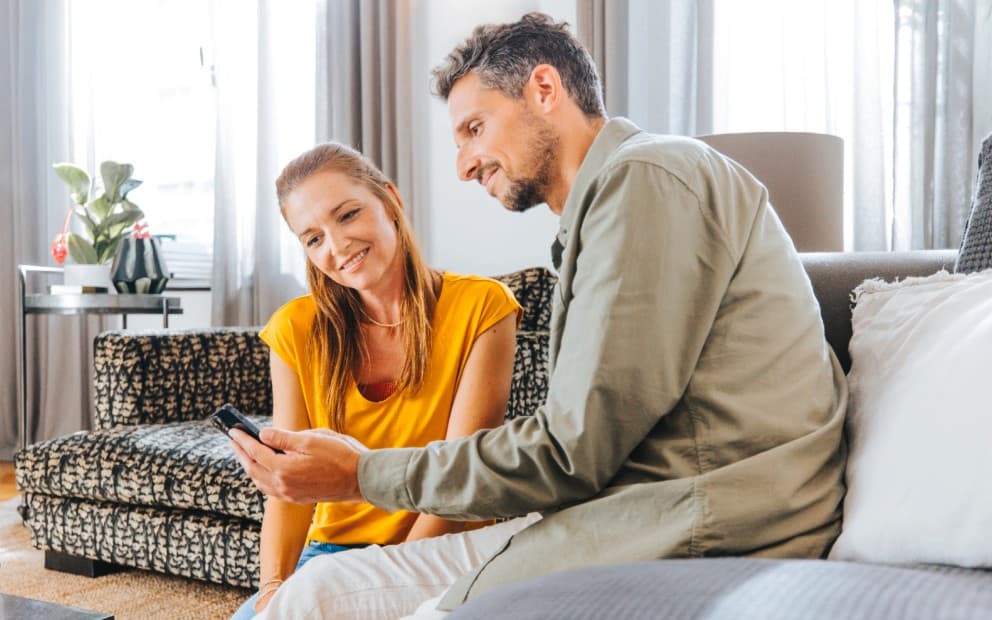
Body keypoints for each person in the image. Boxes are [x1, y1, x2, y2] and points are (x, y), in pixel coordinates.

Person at [231, 13, 848, 619]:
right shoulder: (615, 203)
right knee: (312, 591)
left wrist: (362, 472)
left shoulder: (647, 181)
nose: (463, 165)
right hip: (638, 508)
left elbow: (571, 451)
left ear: (545, 90)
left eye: (475, 128)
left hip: (699, 518)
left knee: (356, 604)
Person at [229, 142, 525, 618]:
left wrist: (388, 585)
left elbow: (458, 482)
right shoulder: (295, 329)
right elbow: (290, 491)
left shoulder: (483, 308)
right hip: (331, 557)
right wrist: (272, 590)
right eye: (313, 238)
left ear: (390, 201)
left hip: (440, 553)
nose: (336, 246)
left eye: (346, 215)